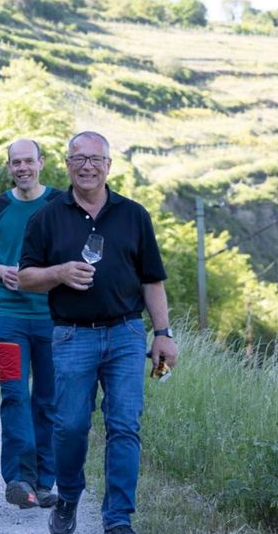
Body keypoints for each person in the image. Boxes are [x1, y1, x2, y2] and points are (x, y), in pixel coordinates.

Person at [17, 131, 178, 534]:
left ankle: (118, 518)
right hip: (72, 336)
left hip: (126, 333)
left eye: (95, 159)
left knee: (124, 424)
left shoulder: (134, 214)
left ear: (109, 165)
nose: (87, 166)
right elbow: (25, 277)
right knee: (70, 426)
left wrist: (163, 333)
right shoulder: (48, 216)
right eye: (79, 158)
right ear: (67, 165)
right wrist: (58, 272)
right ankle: (69, 497)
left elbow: (152, 280)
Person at [0, 138, 61, 510]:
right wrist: (1, 271)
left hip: (55, 321)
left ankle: (44, 481)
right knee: (14, 396)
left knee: (48, 400)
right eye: (16, 162)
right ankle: (18, 478)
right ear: (9, 167)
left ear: (41, 163)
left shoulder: (60, 204)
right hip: (10, 319)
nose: (23, 168)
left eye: (29, 161)